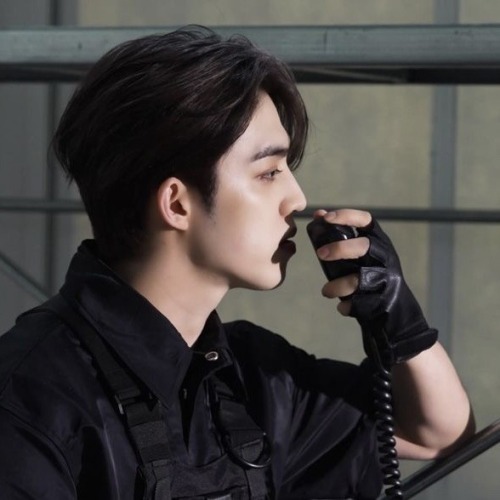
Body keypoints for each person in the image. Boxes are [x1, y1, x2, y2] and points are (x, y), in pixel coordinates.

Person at [0, 26, 474, 500]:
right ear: (177, 204)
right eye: (268, 172)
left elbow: (435, 435)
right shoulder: (30, 396)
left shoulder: (253, 376)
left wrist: (402, 327)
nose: (297, 198)